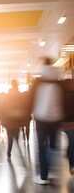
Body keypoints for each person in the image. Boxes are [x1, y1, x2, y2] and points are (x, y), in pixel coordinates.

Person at [32, 57, 64, 185]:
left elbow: (31, 99)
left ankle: (43, 176)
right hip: (55, 117)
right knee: (53, 145)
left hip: (41, 118)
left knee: (41, 145)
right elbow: (64, 99)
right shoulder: (58, 80)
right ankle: (49, 167)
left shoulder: (38, 81)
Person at [0, 79, 31, 158]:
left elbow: (2, 108)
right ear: (17, 85)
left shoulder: (7, 95)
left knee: (10, 137)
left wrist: (3, 119)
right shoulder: (20, 95)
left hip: (8, 120)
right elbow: (26, 106)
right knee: (16, 136)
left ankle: (9, 152)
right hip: (17, 120)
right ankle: (19, 152)